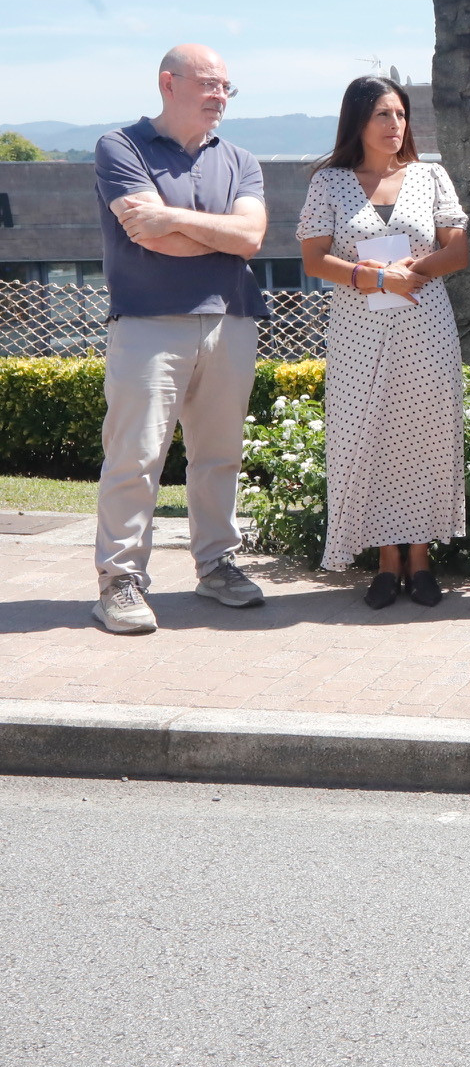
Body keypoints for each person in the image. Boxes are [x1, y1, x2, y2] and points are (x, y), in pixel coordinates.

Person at [87, 44, 271, 633]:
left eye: (226, 87)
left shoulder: (241, 159)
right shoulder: (120, 146)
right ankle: (119, 581)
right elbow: (148, 235)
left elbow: (251, 238)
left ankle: (217, 564)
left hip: (231, 319)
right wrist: (214, 235)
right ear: (168, 83)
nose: (220, 96)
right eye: (210, 85)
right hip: (147, 322)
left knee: (219, 456)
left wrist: (180, 220)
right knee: (136, 456)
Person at [296, 76, 470, 608]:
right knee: (364, 436)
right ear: (358, 122)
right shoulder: (329, 182)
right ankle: (384, 560)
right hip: (357, 332)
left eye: (400, 115)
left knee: (423, 436)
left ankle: (420, 558)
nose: (395, 126)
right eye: (383, 116)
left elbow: (459, 250)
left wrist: (411, 272)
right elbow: (313, 258)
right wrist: (373, 279)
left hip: (425, 327)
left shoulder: (430, 175)